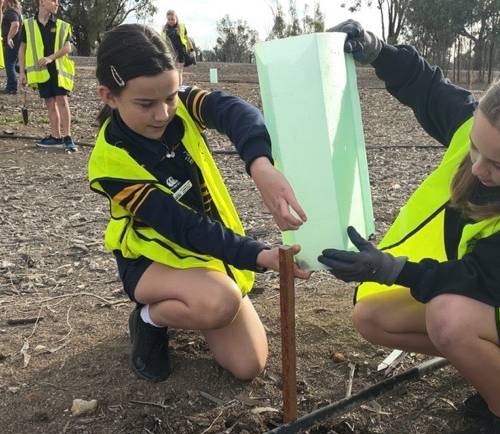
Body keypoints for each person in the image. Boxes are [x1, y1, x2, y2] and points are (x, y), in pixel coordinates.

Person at [319, 20, 500, 434]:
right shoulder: (484, 135)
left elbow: (480, 282)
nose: (477, 168)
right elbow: (428, 89)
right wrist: (380, 51)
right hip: (495, 308)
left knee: (448, 319)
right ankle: (492, 373)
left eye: (499, 165)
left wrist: (393, 269)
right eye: (475, 146)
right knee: (372, 316)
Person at [88, 24, 309, 383]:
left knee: (248, 364)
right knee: (220, 301)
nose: (163, 114)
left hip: (206, 254)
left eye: (170, 97)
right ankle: (149, 320)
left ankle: (198, 299)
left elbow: (236, 111)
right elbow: (182, 226)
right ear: (109, 96)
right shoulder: (110, 163)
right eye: (146, 104)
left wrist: (260, 165)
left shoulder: (181, 105)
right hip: (151, 261)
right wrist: (259, 255)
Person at [18, 0, 76, 151]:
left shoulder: (61, 25)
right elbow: (22, 49)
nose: (57, 4)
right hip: (40, 72)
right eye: (53, 1)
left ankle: (68, 137)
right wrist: (22, 72)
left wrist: (51, 57)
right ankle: (56, 136)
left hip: (57, 70)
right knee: (50, 103)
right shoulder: (28, 24)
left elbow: (68, 47)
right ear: (42, 2)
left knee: (62, 101)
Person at [162, 9, 193, 81]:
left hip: (181, 52)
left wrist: (192, 50)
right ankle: (172, 87)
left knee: (179, 72)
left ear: (176, 18)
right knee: (171, 72)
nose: (171, 21)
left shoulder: (181, 27)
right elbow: (162, 41)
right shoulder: (164, 29)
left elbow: (187, 39)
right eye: (169, 19)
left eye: (172, 19)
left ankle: (179, 88)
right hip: (171, 54)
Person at [2, 0, 22, 94]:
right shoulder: (15, 10)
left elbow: (15, 24)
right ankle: (29, 75)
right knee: (16, 65)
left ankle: (12, 88)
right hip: (16, 42)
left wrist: (9, 37)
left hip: (12, 43)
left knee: (9, 64)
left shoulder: (11, 11)